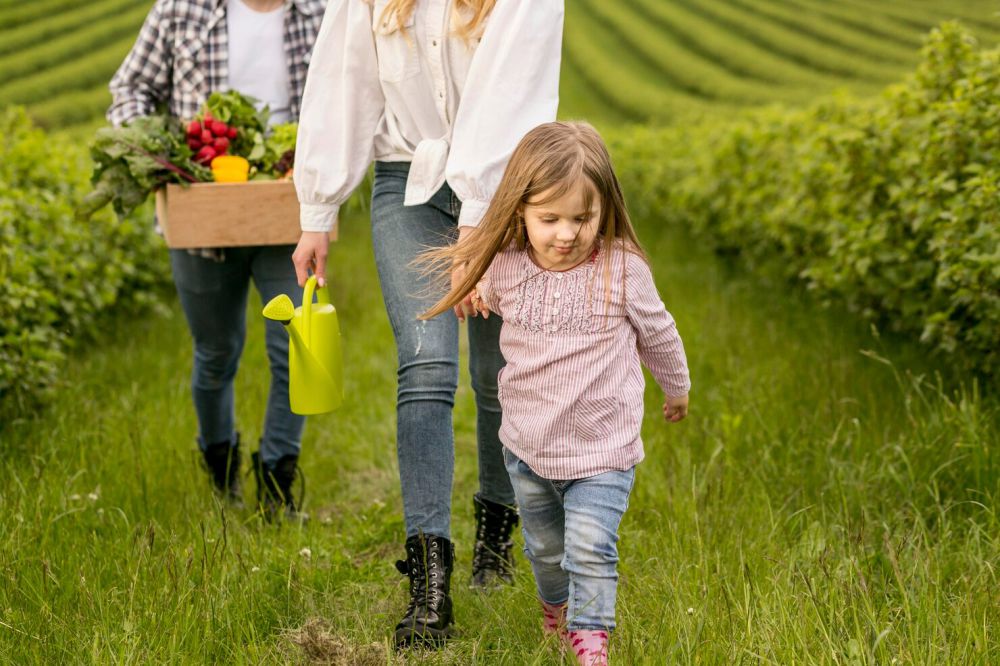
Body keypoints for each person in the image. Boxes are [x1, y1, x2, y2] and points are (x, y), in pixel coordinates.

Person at [291, 0, 564, 647]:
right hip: (406, 186)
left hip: (505, 192)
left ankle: (496, 536)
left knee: (497, 373)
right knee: (426, 366)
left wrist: (479, 218)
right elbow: (344, 77)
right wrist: (318, 206)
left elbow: (514, 92)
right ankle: (429, 586)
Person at [418, 121, 692, 666]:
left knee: (590, 548)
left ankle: (592, 643)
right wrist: (469, 285)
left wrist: (677, 387)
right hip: (529, 449)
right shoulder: (509, 266)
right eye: (549, 219)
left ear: (604, 211)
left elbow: (659, 332)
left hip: (602, 451)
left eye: (582, 218)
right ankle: (556, 610)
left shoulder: (621, 270)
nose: (566, 233)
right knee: (545, 552)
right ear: (519, 212)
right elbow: (474, 282)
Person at [107, 0, 326, 519]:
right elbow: (129, 89)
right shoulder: (180, 10)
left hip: (285, 208)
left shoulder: (318, 13)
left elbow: (345, 99)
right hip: (201, 207)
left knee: (295, 349)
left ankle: (277, 483)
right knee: (216, 352)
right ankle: (221, 471)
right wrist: (156, 149)